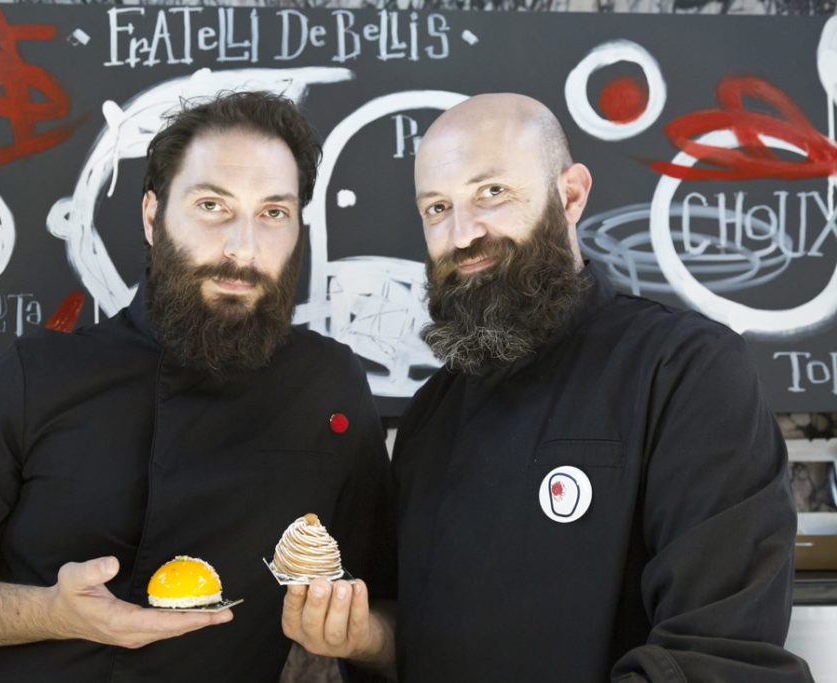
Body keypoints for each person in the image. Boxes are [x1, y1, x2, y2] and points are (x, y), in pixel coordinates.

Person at [0, 91, 393, 682]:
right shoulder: (39, 375)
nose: (244, 248)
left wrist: (359, 637)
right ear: (153, 218)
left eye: (273, 213)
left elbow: (391, 611)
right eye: (212, 205)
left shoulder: (328, 386)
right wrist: (49, 613)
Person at [283, 93, 812, 682]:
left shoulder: (685, 369)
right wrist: (364, 640)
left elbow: (717, 655)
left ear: (572, 194)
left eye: (492, 193)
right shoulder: (432, 415)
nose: (462, 235)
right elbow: (425, 643)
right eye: (437, 208)